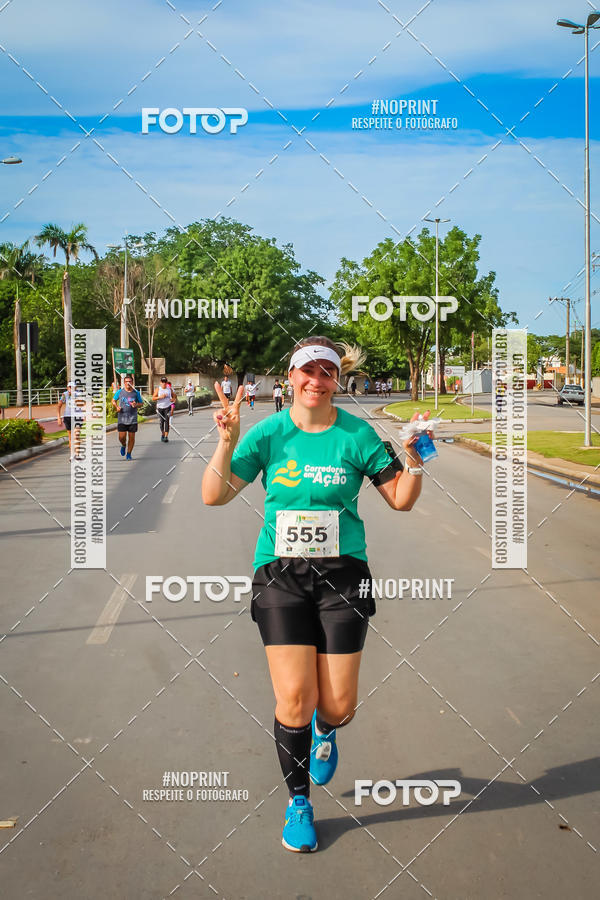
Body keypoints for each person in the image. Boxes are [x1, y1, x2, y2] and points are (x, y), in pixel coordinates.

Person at [202, 336, 430, 854]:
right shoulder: (269, 434)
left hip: (344, 576)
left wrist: (415, 461)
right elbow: (213, 495)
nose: (316, 380)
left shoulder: (357, 434)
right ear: (291, 377)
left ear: (336, 380)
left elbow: (400, 500)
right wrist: (226, 440)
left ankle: (328, 731)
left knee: (339, 705)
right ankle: (299, 802)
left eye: (327, 372)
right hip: (280, 576)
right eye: (308, 371)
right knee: (294, 699)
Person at [112, 374, 143, 460]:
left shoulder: (136, 393)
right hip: (122, 418)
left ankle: (129, 454)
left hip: (132, 418)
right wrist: (116, 407)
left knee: (131, 437)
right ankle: (123, 445)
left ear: (132, 382)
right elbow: (113, 400)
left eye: (130, 381)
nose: (128, 383)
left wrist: (136, 405)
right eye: (126, 382)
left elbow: (141, 403)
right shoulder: (120, 392)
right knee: (121, 437)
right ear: (124, 383)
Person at [57, 381, 84, 461]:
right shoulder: (64, 395)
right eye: (70, 387)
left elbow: (82, 404)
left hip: (77, 416)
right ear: (67, 387)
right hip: (67, 417)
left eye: (73, 387)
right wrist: (59, 417)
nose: (71, 389)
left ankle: (77, 454)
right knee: (70, 437)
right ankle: (72, 455)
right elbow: (59, 406)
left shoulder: (79, 394)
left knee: (76, 435)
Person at [153, 376, 176, 443]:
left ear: (166, 382)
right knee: (161, 422)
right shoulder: (158, 389)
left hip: (167, 407)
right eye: (162, 382)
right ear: (160, 382)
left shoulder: (169, 389)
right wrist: (160, 397)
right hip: (160, 408)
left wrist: (173, 399)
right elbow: (153, 398)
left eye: (165, 382)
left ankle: (166, 437)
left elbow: (174, 396)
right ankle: (163, 434)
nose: (164, 383)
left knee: (167, 421)